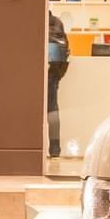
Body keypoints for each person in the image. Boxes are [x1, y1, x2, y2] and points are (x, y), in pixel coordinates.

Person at [47, 12, 70, 157]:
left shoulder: (41, 21)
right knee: (53, 110)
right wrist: (57, 76)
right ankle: (55, 149)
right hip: (53, 73)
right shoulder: (57, 22)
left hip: (48, 73)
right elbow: (65, 52)